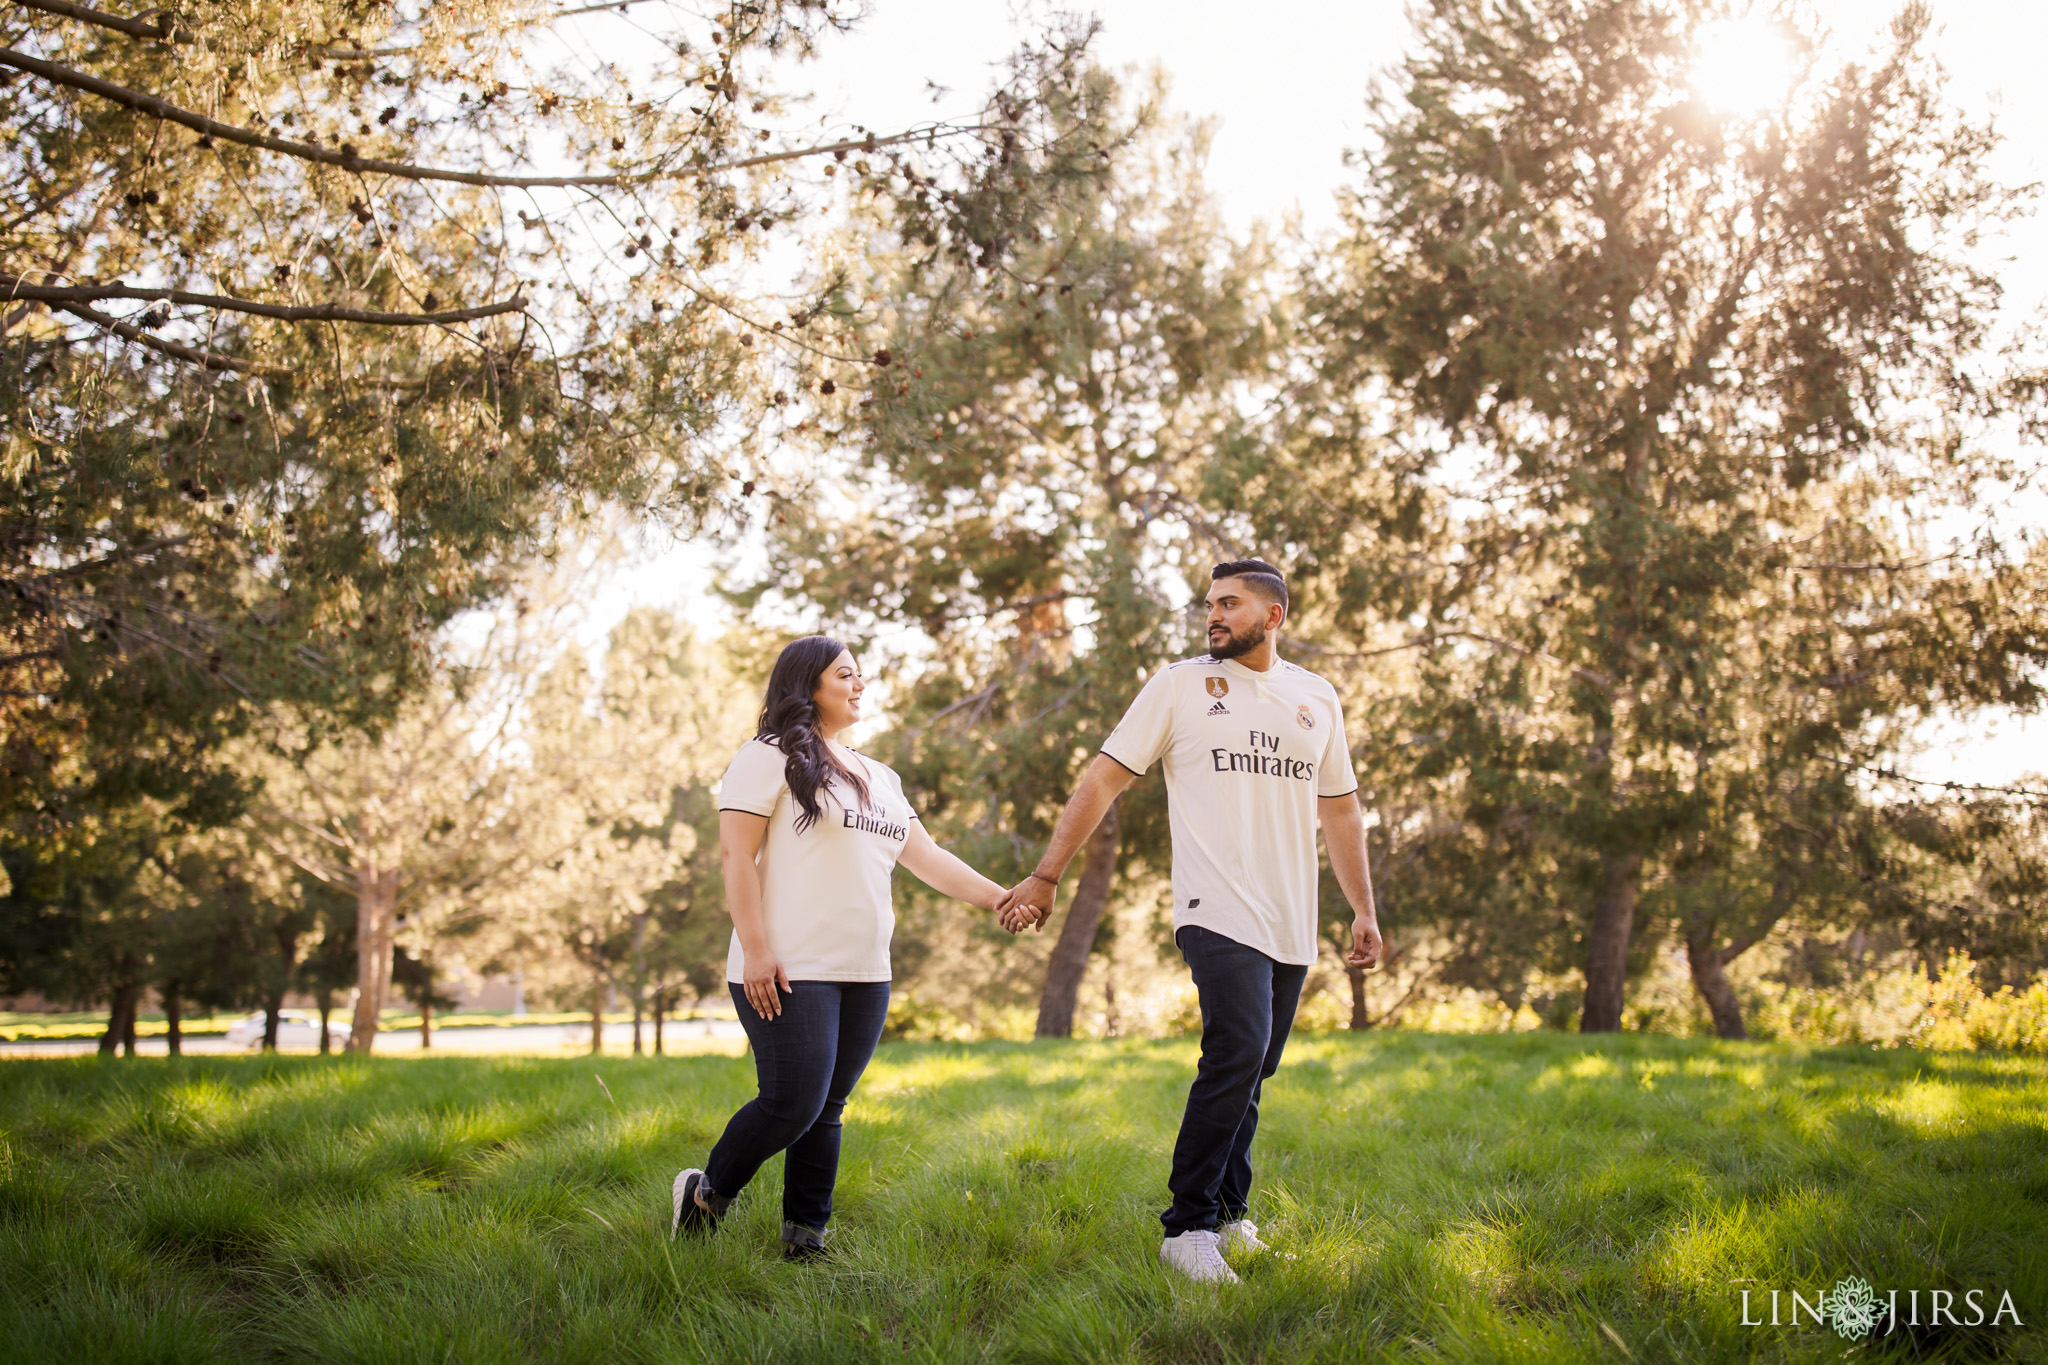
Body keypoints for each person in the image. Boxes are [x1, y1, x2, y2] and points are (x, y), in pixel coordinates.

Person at [996, 559, 1383, 1284]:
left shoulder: (1316, 696)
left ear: (1273, 616)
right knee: (1237, 1046)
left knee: (1255, 1066)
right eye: (1210, 603)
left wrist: (1362, 906)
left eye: (1229, 603)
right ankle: (1188, 1226)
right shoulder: (1178, 683)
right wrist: (1047, 874)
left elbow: (1340, 809)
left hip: (1292, 915)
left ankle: (1234, 1218)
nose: (1213, 615)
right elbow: (1104, 776)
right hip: (1215, 904)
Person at [671, 635, 1006, 1260]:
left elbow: (926, 858)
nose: (859, 686)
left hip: (865, 969)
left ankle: (806, 1239)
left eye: (860, 676)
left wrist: (1000, 898)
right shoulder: (766, 756)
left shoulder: (879, 777)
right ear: (808, 685)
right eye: (845, 675)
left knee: (827, 1108)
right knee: (791, 1100)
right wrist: (756, 949)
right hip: (788, 964)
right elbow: (735, 855)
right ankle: (706, 1192)